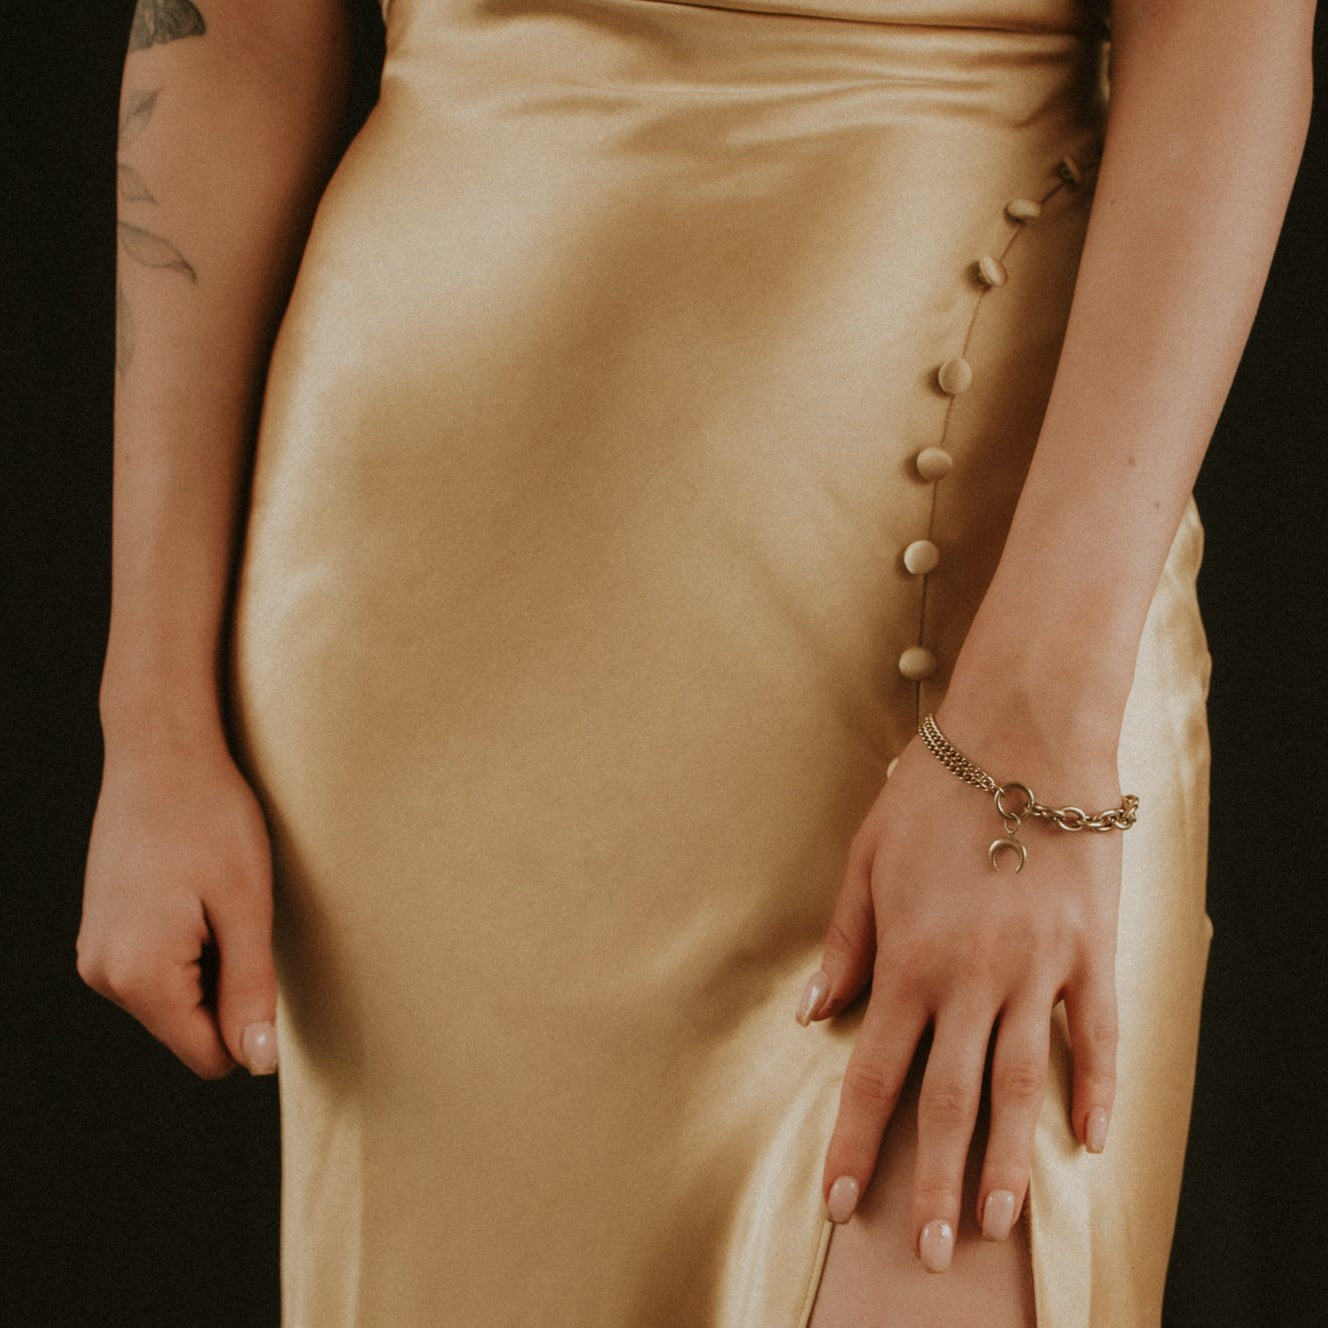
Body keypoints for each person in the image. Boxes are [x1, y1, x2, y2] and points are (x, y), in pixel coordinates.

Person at [76, 0, 1313, 1324]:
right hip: (421, 601)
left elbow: (1229, 36)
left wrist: (1036, 721)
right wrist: (149, 714)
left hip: (960, 593)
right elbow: (242, 41)